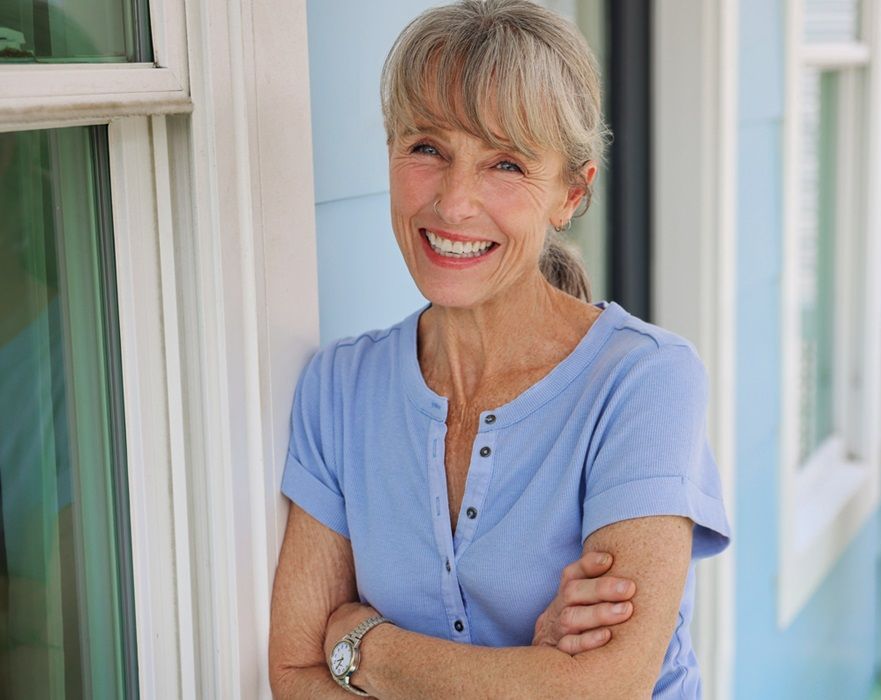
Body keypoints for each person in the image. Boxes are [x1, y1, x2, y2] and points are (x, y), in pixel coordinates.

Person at [266, 1, 731, 697]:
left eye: (505, 164)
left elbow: (609, 685)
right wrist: (530, 673)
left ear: (570, 193)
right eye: (427, 148)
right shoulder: (340, 387)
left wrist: (369, 647)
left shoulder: (642, 381)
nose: (454, 204)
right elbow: (296, 674)